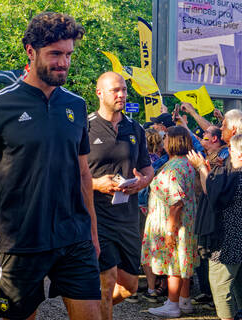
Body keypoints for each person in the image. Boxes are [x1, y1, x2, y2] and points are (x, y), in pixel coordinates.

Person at [0, 12, 101, 320]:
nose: (64, 62)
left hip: (74, 237)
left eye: (68, 54)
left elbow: (83, 175)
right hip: (20, 240)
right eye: (55, 54)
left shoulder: (76, 105)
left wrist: (92, 234)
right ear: (30, 51)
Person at [87, 71, 154, 319]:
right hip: (97, 217)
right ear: (100, 93)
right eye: (115, 90)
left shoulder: (134, 127)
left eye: (124, 90)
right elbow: (68, 172)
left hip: (128, 217)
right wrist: (95, 184)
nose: (122, 95)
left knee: (129, 287)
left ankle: (90, 312)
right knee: (106, 284)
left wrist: (143, 181)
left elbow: (147, 167)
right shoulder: (86, 126)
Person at [141, 126, 199, 318]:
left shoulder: (175, 167)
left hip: (174, 222)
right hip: (187, 221)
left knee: (174, 263)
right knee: (182, 262)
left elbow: (176, 203)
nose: (163, 141)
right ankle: (183, 300)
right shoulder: (186, 163)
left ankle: (172, 305)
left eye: (165, 138)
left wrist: (169, 231)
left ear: (173, 141)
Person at [187, 134, 242, 320]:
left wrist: (202, 168)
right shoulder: (233, 173)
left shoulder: (237, 177)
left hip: (228, 242)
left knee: (221, 287)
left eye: (231, 152)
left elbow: (212, 194)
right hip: (234, 240)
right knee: (237, 286)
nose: (226, 156)